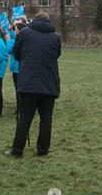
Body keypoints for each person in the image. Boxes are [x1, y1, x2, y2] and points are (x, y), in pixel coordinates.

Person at [4, 12, 61, 158]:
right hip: (49, 83)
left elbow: (17, 54)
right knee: (46, 118)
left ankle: (17, 150)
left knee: (25, 117)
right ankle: (43, 150)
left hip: (29, 82)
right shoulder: (56, 37)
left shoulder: (24, 34)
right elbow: (56, 54)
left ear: (34, 20)